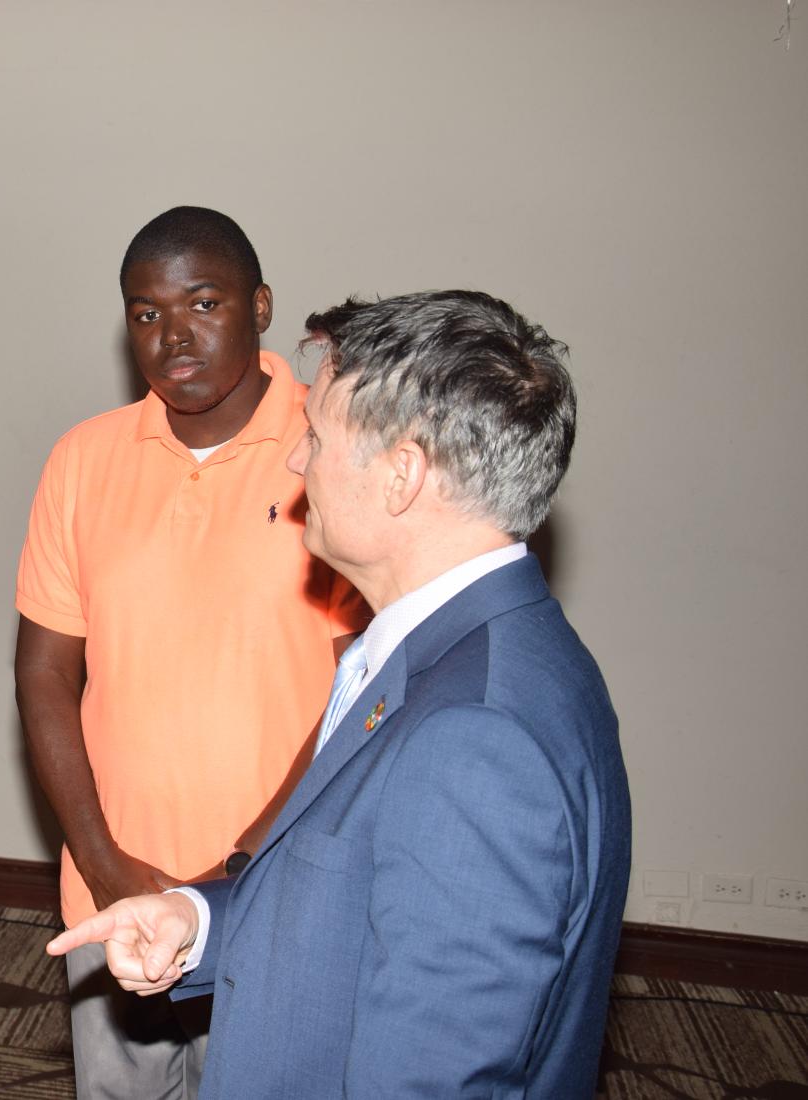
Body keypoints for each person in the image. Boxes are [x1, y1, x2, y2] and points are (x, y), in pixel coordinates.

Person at [49, 290, 632, 1099]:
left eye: (317, 436)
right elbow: (351, 907)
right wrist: (200, 921)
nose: (295, 461)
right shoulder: (468, 650)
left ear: (402, 475)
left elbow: (434, 1079)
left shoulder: (476, 737)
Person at [15, 206, 365, 1098]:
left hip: (274, 898)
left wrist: (231, 875)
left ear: (260, 306)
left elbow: (360, 695)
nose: (173, 335)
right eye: (145, 312)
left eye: (203, 302)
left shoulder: (329, 452)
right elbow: (45, 674)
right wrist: (102, 863)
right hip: (111, 893)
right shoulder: (83, 460)